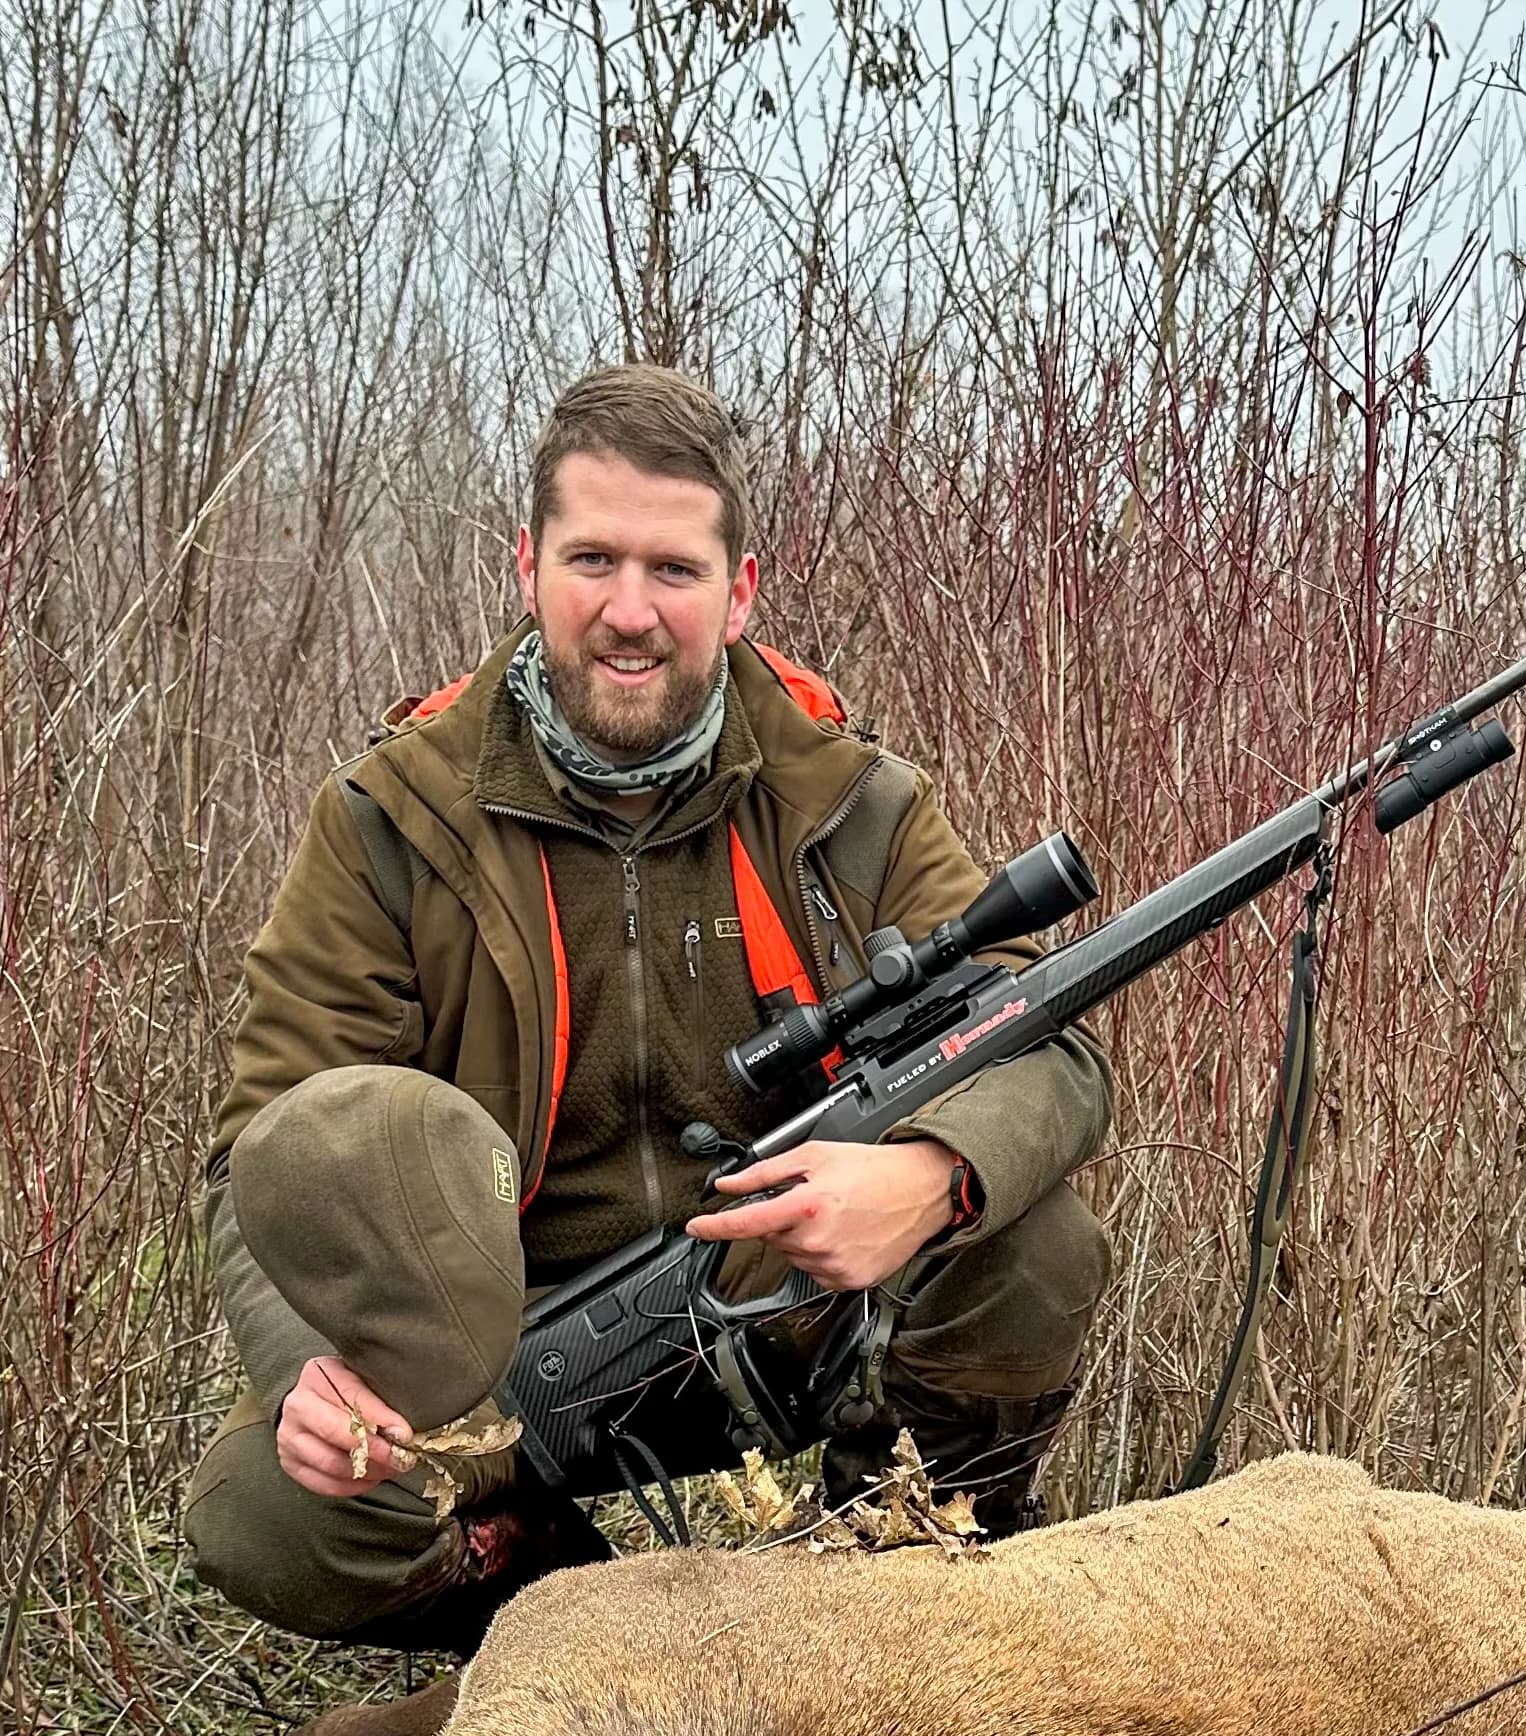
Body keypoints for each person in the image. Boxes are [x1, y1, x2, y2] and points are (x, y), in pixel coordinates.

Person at [187, 364, 1113, 1653]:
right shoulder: (389, 819)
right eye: (593, 560)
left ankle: (896, 1609)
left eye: (675, 570)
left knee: (1036, 1243)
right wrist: (316, 1381)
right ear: (529, 566)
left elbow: (1045, 1041)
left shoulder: (850, 796)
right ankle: (551, 1625)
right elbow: (263, 1151)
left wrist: (926, 1173)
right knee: (268, 1514)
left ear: (739, 594)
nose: (631, 612)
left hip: (779, 1306)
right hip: (504, 1365)